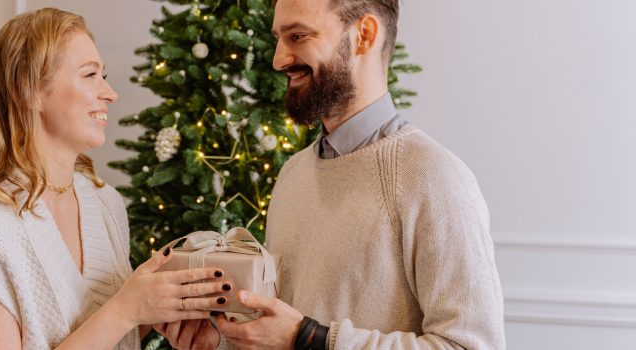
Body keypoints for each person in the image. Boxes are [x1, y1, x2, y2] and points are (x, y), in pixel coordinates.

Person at [155, 0, 506, 349]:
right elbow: (281, 333)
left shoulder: (435, 178)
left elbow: (470, 345)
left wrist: (308, 338)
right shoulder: (293, 174)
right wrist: (220, 342)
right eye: (278, 38)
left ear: (364, 35)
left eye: (298, 36)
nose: (278, 59)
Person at [0, 8, 231, 350]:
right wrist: (126, 309)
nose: (110, 93)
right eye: (90, 75)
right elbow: (115, 317)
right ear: (27, 89)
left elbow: (111, 335)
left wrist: (159, 305)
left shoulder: (105, 203)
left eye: (104, 75)